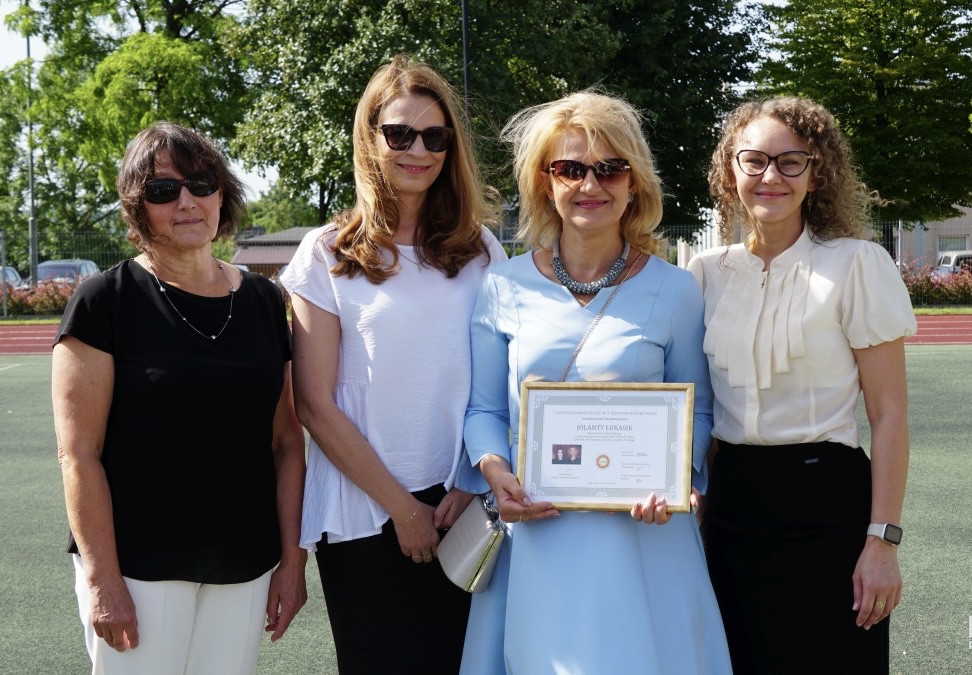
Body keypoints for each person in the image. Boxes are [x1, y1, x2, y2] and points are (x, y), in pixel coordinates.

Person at [460, 90, 732, 674]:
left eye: (610, 168)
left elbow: (700, 412)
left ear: (634, 183)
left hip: (645, 538)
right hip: (536, 533)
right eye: (571, 168)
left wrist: (676, 480)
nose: (592, 184)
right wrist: (496, 471)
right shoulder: (501, 287)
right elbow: (483, 411)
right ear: (544, 182)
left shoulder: (677, 289)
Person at [278, 54, 507, 675]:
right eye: (399, 133)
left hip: (463, 501)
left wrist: (466, 483)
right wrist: (402, 510)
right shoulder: (326, 252)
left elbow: (494, 382)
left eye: (435, 137)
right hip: (365, 508)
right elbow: (315, 403)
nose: (418, 150)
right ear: (370, 137)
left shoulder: (481, 248)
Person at [52, 121, 307, 674]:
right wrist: (102, 579)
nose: (187, 201)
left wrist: (292, 559)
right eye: (164, 190)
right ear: (138, 207)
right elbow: (78, 454)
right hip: (139, 570)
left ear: (223, 194)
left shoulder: (265, 301)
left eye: (202, 183)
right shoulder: (105, 301)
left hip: (244, 562)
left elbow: (287, 440)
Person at [687, 96, 916, 673]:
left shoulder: (858, 264)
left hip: (829, 507)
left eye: (792, 162)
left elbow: (889, 416)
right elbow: (703, 407)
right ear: (729, 170)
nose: (772, 176)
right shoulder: (704, 273)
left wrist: (882, 541)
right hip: (732, 510)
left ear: (817, 175)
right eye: (755, 160)